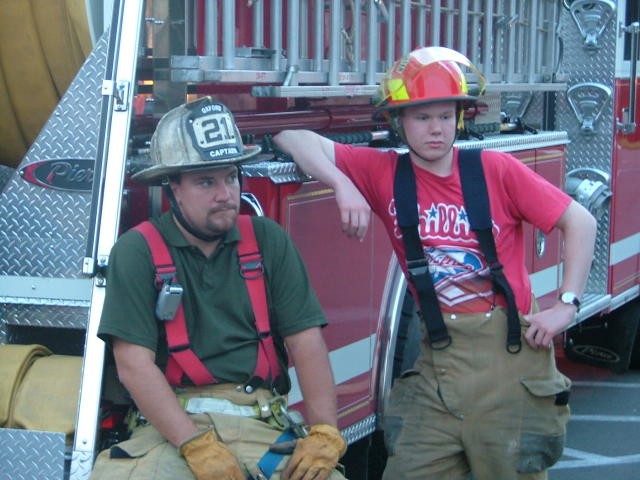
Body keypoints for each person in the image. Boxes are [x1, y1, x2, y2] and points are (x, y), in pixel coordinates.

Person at [274, 46, 597, 480]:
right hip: (436, 367)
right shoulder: (384, 172)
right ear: (399, 122)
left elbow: (581, 222)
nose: (436, 129)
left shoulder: (495, 170)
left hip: (509, 364)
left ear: (460, 118)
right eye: (422, 117)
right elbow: (291, 137)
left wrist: (567, 304)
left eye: (446, 116)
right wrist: (341, 183)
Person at [91, 97, 347, 480]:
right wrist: (194, 445)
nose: (226, 194)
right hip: (172, 428)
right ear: (173, 187)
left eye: (231, 177)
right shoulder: (137, 250)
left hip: (264, 424)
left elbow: (306, 343)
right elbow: (133, 365)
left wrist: (325, 430)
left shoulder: (267, 240)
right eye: (206, 181)